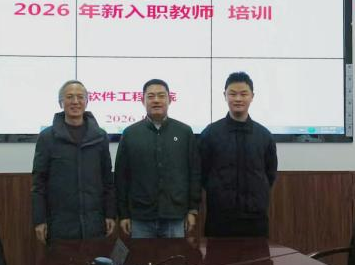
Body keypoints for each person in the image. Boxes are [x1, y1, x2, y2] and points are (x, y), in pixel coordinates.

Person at [32, 80, 116, 243]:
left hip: (95, 222)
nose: (75, 102)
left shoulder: (100, 136)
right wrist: (39, 220)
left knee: (94, 259)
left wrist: (110, 214)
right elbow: (39, 182)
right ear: (61, 102)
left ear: (87, 101)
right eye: (69, 97)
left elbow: (108, 179)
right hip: (60, 223)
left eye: (80, 97)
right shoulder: (47, 137)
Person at [115, 78, 200, 238]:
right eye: (151, 96)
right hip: (140, 217)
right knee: (141, 255)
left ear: (170, 99)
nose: (156, 100)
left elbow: (194, 173)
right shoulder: (130, 134)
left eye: (161, 96)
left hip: (175, 215)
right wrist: (123, 214)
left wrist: (192, 209)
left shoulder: (184, 132)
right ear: (142, 100)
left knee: (174, 255)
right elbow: (121, 177)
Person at [199, 72, 278, 237]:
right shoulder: (211, 133)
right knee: (218, 255)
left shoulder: (264, 135)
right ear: (225, 96)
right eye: (233, 94)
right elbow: (202, 173)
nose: (238, 99)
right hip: (220, 218)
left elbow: (269, 174)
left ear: (252, 96)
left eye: (243, 94)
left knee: (257, 254)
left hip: (255, 218)